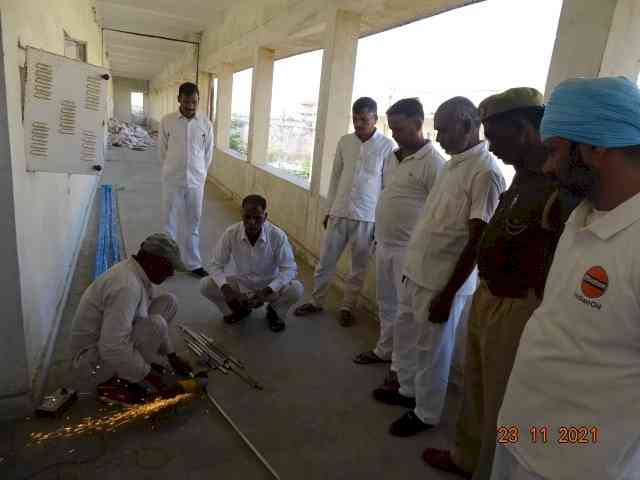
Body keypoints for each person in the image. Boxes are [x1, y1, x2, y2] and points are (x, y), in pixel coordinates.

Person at [423, 88, 579, 479]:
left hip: (518, 306)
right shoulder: (524, 176)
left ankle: (488, 471)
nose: (491, 145)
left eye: (495, 136)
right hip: (489, 294)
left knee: (499, 398)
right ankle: (466, 456)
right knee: (475, 387)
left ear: (524, 129)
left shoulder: (558, 185)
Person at [492, 77, 640, 480]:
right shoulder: (582, 215)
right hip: (522, 434)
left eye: (555, 150)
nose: (548, 165)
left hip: (580, 465)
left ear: (597, 146)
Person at [376, 97, 506, 438]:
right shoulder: (452, 164)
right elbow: (432, 222)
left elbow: (477, 240)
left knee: (432, 349)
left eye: (445, 130)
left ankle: (426, 412)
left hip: (443, 281)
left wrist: (448, 294)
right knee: (406, 335)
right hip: (416, 270)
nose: (440, 137)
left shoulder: (486, 172)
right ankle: (406, 391)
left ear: (468, 125)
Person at [353, 98, 445, 378]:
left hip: (411, 250)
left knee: (408, 314)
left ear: (419, 125)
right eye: (391, 129)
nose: (395, 135)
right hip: (384, 243)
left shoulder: (434, 164)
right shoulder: (393, 157)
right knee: (387, 302)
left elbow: (437, 213)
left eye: (401, 129)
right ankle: (384, 350)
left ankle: (401, 369)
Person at [294, 97, 394, 326]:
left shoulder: (387, 146)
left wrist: (380, 223)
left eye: (364, 120)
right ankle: (316, 301)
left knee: (357, 268)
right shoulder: (345, 141)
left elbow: (387, 187)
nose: (359, 124)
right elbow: (335, 177)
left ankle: (347, 307)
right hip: (339, 211)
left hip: (367, 217)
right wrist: (329, 209)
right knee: (325, 262)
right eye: (355, 119)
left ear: (375, 119)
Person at [70, 233, 193, 406]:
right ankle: (112, 385)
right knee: (156, 324)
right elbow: (112, 347)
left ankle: (134, 367)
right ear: (153, 261)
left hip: (107, 342)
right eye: (168, 267)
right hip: (92, 364)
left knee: (169, 302)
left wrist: (172, 356)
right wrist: (153, 378)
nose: (172, 273)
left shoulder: (137, 271)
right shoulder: (126, 286)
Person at [200, 194, 303, 333]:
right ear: (242, 214)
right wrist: (227, 290)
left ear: (265, 216)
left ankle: (274, 311)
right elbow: (215, 265)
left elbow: (289, 269)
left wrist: (267, 291)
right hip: (242, 286)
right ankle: (237, 311)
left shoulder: (277, 236)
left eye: (257, 218)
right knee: (206, 285)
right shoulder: (231, 233)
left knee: (296, 289)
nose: (252, 222)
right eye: (247, 217)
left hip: (269, 287)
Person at [160, 81, 214, 278]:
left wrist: (200, 174)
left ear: (198, 100)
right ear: (178, 100)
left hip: (196, 182)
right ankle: (167, 263)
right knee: (169, 223)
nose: (190, 106)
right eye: (186, 102)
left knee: (193, 223)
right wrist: (170, 169)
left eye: (194, 102)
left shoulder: (205, 124)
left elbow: (208, 154)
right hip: (172, 180)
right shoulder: (167, 121)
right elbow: (162, 151)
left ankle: (193, 263)